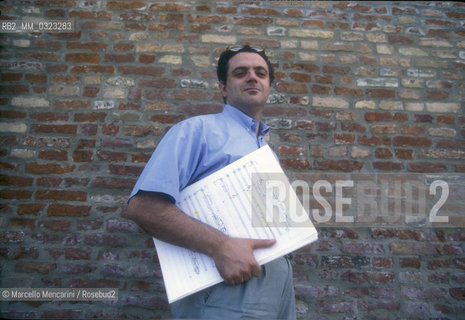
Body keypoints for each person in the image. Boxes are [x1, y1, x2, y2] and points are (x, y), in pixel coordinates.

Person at [125, 45, 296, 319]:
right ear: (223, 88)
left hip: (279, 292)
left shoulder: (266, 151)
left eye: (260, 73)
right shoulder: (197, 130)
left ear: (269, 86)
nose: (252, 77)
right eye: (241, 73)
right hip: (227, 290)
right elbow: (143, 207)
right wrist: (220, 246)